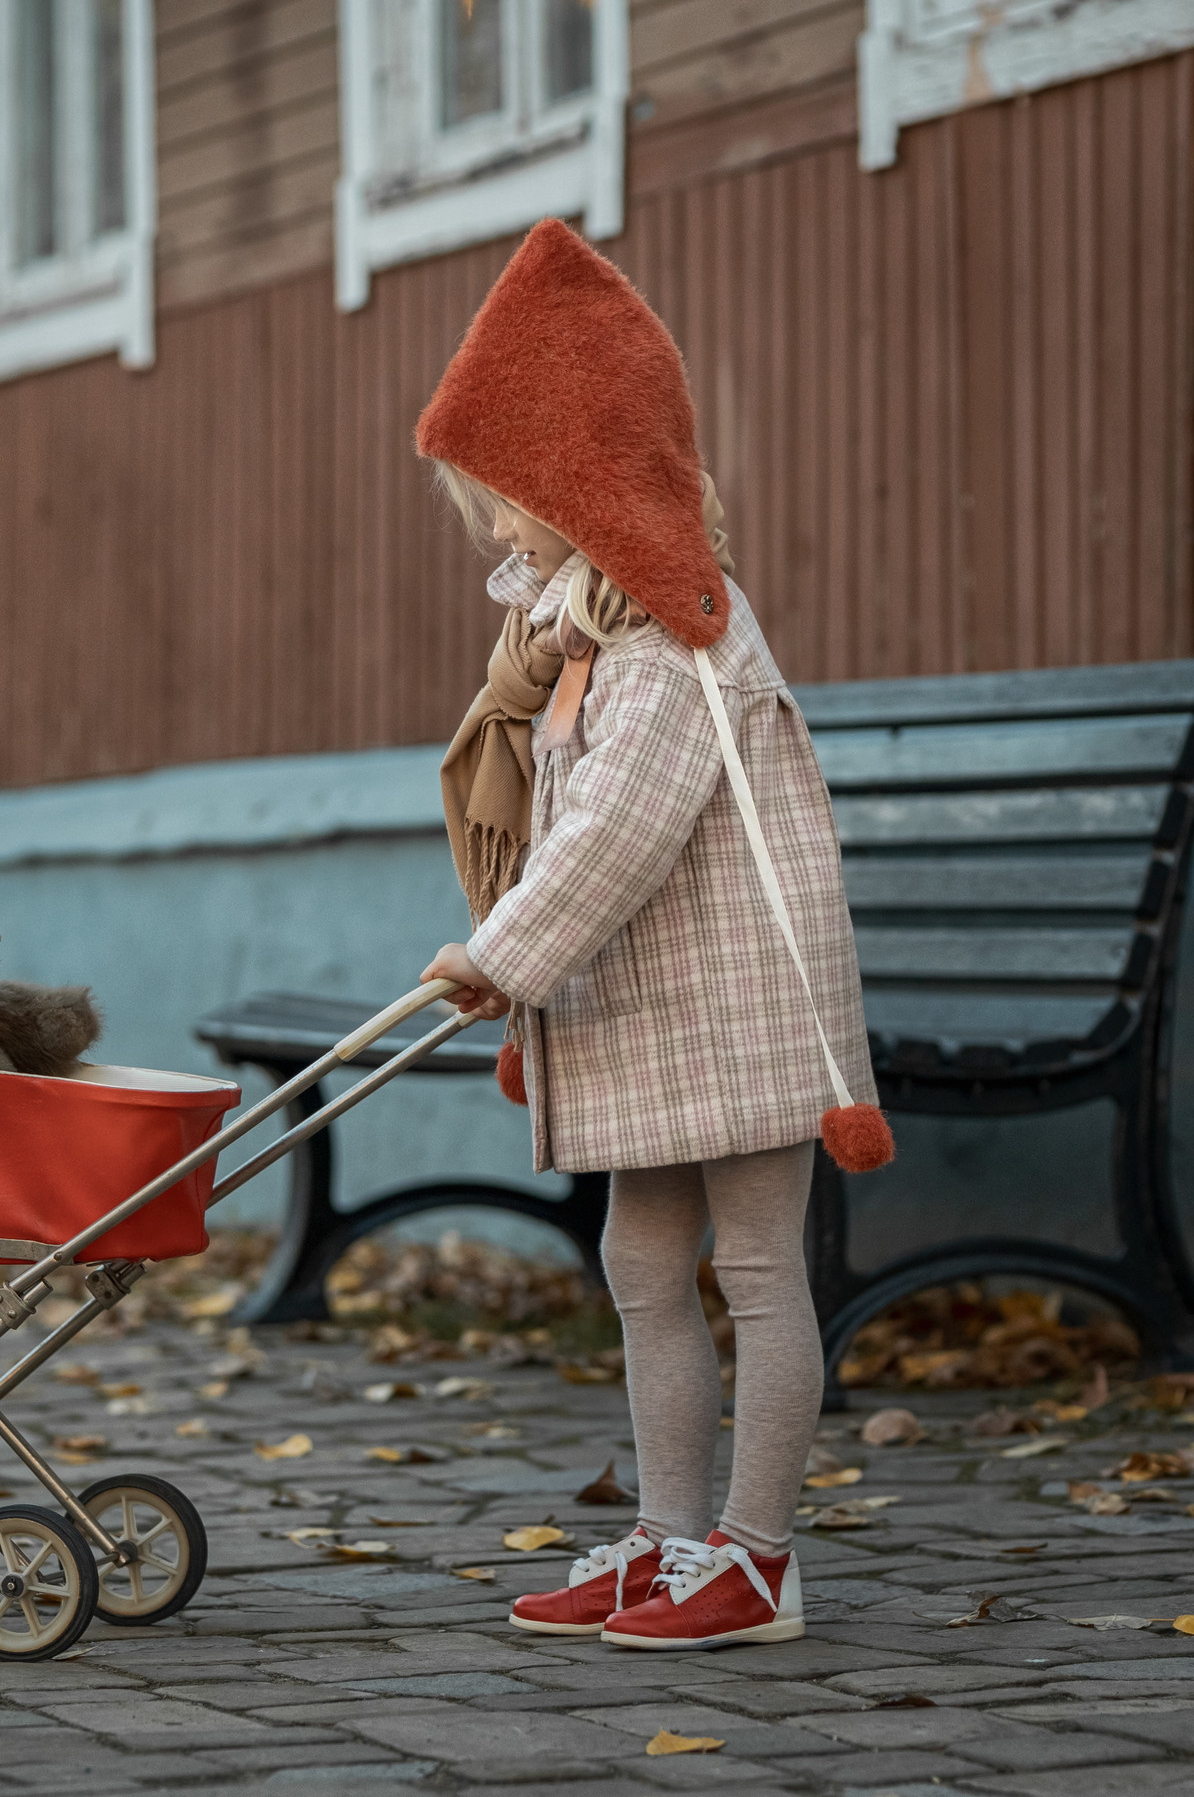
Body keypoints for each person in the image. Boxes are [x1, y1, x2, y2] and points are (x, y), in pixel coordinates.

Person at [414, 218, 891, 1653]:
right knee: (641, 1264)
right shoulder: (586, 636)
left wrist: (503, 954)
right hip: (651, 1001)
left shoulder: (680, 638)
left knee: (756, 1265)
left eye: (510, 496)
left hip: (741, 995)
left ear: (585, 479)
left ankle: (755, 1558)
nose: (498, 528)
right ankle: (668, 1541)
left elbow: (615, 832)